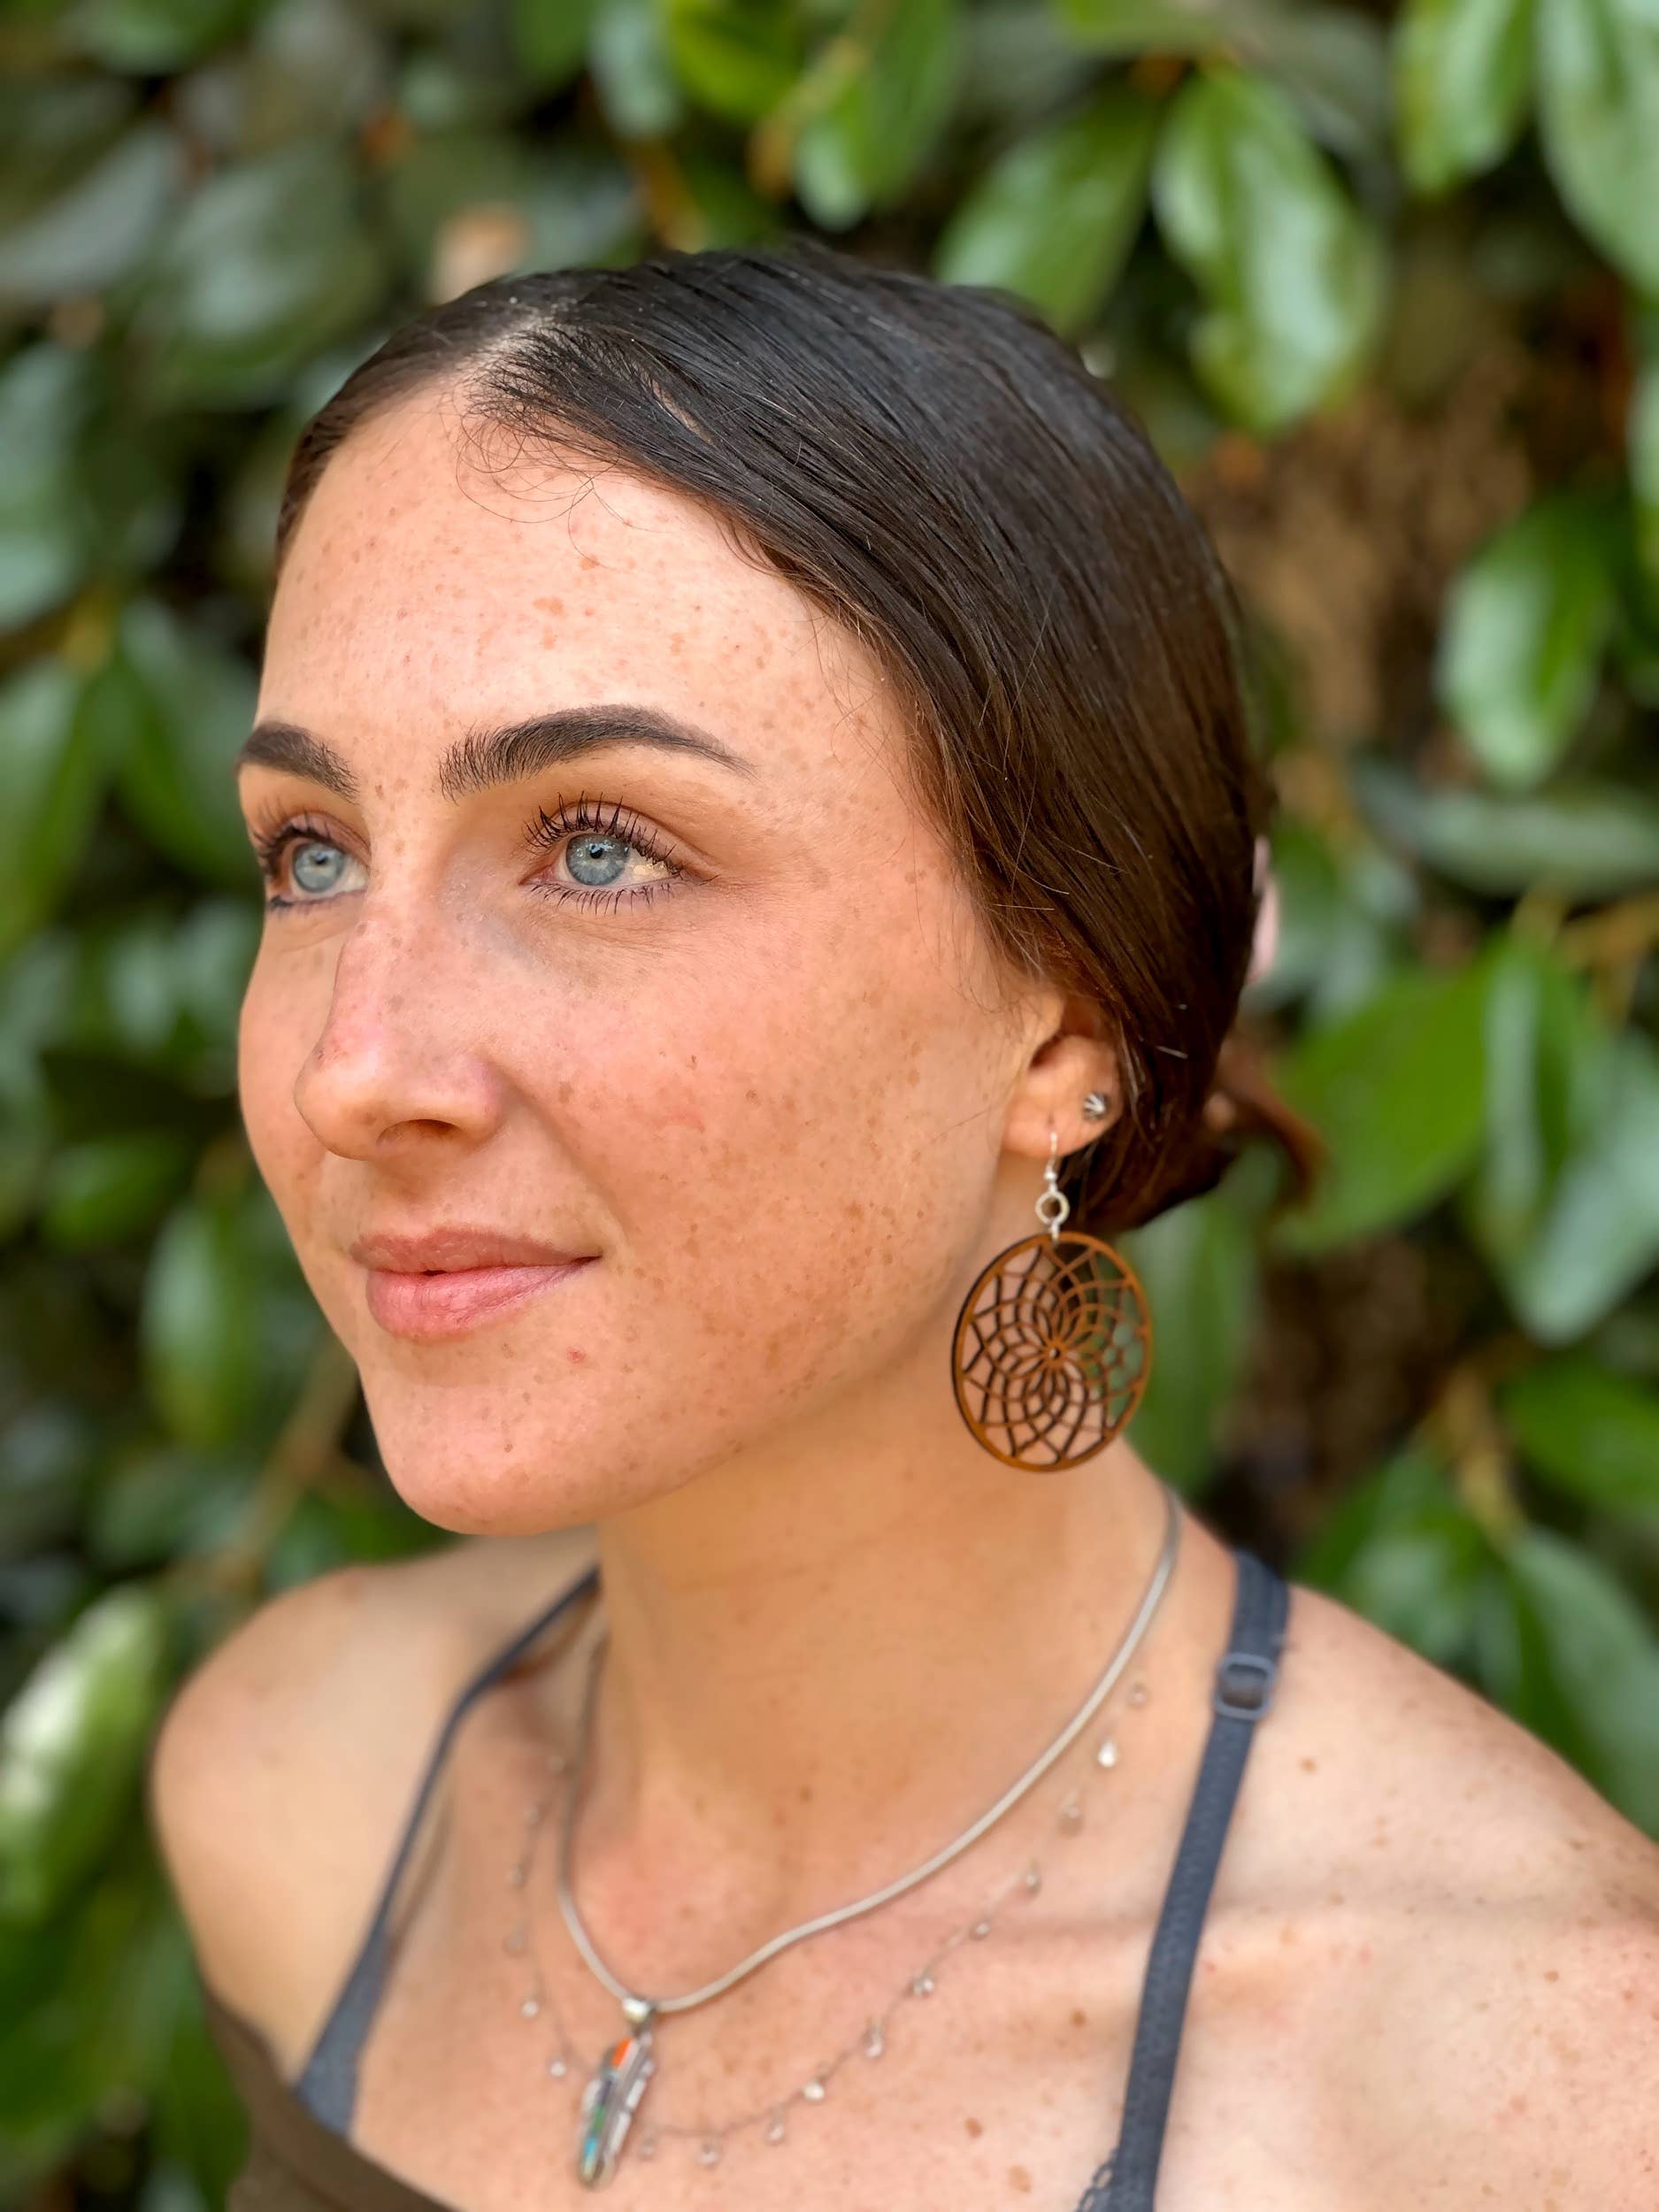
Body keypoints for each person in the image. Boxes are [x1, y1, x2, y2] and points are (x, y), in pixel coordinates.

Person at [146, 240, 1659, 2212]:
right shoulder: (299, 1791)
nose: (356, 1069)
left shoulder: (1523, 2098)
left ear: (1065, 1024)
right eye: (313, 853)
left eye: (598, 849)